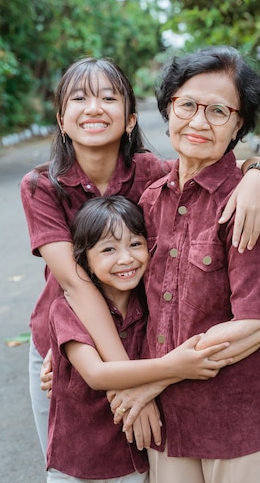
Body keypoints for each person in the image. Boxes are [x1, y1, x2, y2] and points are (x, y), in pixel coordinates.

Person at [20, 56, 260, 458]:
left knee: (138, 466)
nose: (93, 108)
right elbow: (75, 282)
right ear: (60, 118)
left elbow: (208, 162)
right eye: (79, 98)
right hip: (70, 349)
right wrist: (125, 378)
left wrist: (259, 174)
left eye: (108, 97)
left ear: (131, 119)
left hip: (134, 344)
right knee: (73, 462)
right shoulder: (41, 186)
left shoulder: (151, 174)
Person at [111, 46, 260, 483]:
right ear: (168, 108)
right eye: (188, 104)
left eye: (218, 111)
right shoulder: (151, 198)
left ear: (239, 125)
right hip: (169, 424)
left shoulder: (249, 204)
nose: (198, 121)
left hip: (239, 420)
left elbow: (259, 321)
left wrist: (152, 381)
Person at [47, 195, 231, 482]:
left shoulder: (151, 301)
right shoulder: (67, 309)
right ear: (84, 260)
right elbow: (96, 374)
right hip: (79, 464)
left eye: (135, 244)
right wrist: (176, 366)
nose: (126, 258)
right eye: (108, 249)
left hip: (136, 459)